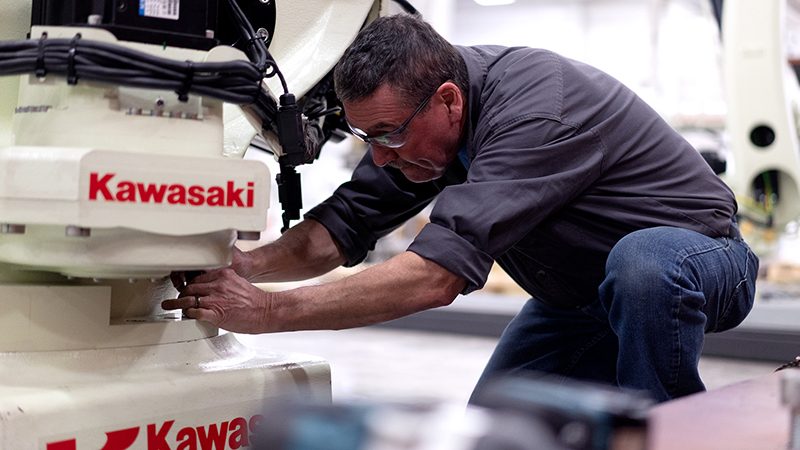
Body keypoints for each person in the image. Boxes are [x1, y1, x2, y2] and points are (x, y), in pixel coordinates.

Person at [162, 14, 759, 403]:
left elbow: (433, 276)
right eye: (368, 139)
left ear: (447, 101)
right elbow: (342, 227)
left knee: (644, 261)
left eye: (390, 135)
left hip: (701, 265)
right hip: (583, 300)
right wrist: (246, 267)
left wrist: (267, 313)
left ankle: (674, 428)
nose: (382, 157)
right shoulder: (420, 123)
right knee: (494, 424)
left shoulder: (535, 113)